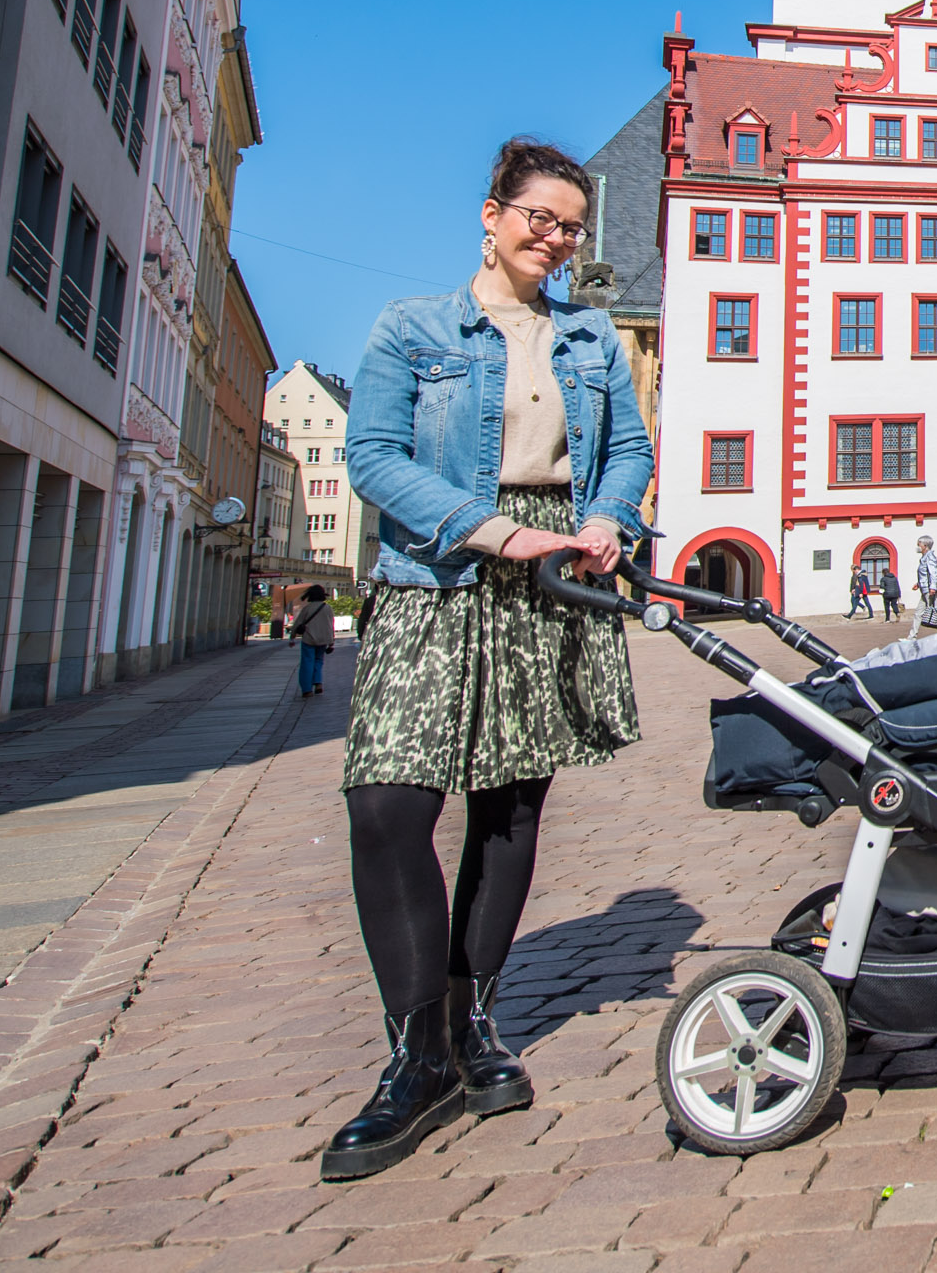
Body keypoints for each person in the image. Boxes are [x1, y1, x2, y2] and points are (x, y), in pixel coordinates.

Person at [325, 138, 652, 1181]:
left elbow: (629, 450)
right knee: (388, 805)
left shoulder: (592, 336)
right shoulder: (413, 325)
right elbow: (371, 453)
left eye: (569, 226)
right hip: (441, 570)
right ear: (492, 213)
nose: (553, 239)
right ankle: (414, 1050)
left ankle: (468, 1026)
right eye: (538, 217)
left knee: (508, 808)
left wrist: (606, 518)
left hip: (555, 572)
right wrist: (487, 528)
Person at [291, 585, 337, 698]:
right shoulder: (328, 608)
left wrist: (292, 637)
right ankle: (318, 683)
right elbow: (331, 625)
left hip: (309, 639)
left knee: (307, 663)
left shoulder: (307, 608)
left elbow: (297, 624)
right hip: (323, 639)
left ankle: (307, 689)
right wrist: (331, 641)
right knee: (318, 661)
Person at [911, 535, 937, 632]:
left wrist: (932, 587)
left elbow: (933, 573)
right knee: (918, 613)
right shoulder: (924, 557)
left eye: (919, 544)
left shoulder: (930, 557)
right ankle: (912, 637)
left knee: (936, 611)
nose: (918, 547)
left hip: (929, 590)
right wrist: (919, 583)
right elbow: (925, 575)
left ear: (925, 545)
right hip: (925, 589)